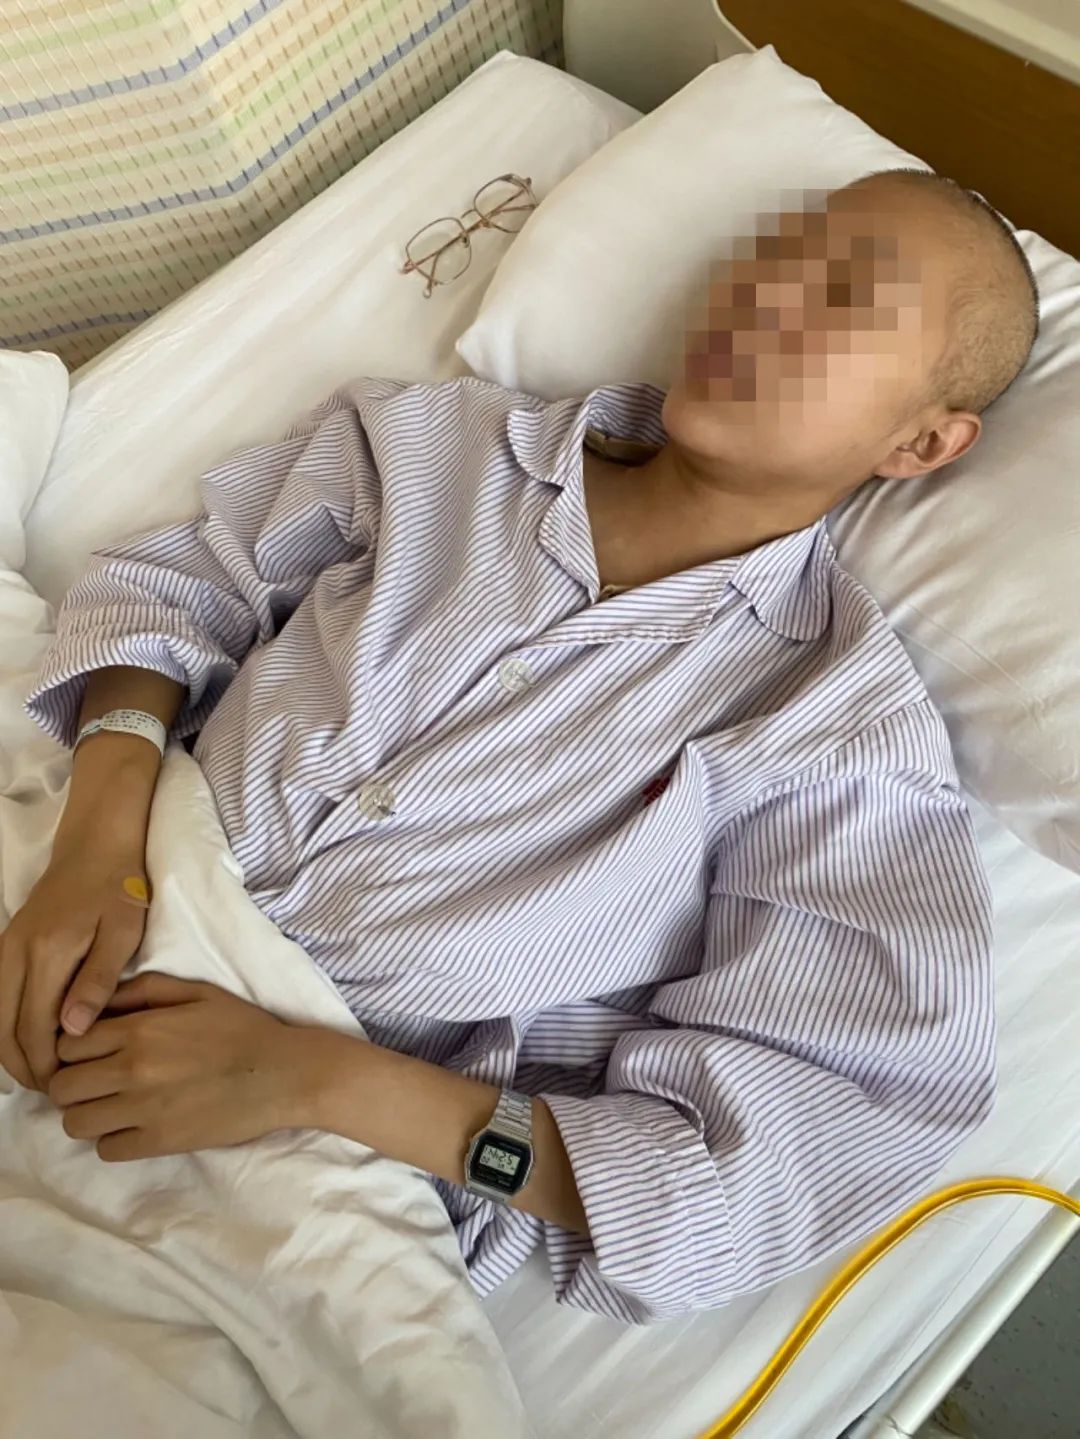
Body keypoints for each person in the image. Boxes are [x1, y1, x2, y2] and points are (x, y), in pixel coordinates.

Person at [0, 170, 1038, 1323]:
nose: (769, 294)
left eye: (844, 296)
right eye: (777, 255)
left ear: (923, 441)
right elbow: (177, 587)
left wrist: (318, 1079)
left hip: (290, 1158)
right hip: (76, 872)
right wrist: (99, 848)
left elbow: (794, 1153)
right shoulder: (434, 445)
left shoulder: (836, 732)